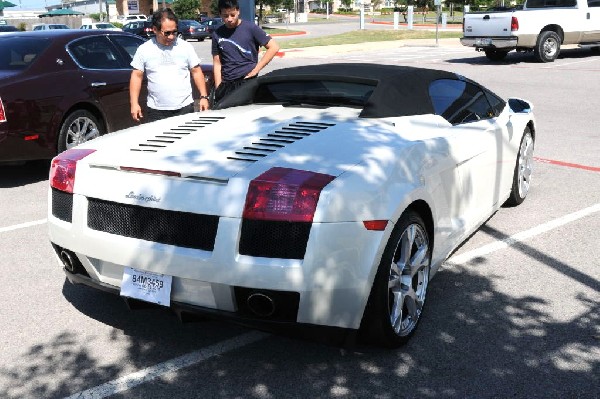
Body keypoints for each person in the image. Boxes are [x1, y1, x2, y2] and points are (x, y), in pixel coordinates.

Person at [129, 8, 210, 123]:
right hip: (157, 111)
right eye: (167, 33)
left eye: (174, 32)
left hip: (185, 108)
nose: (171, 37)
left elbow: (196, 72)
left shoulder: (185, 47)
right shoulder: (144, 50)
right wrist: (134, 103)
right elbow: (136, 76)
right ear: (155, 30)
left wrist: (203, 96)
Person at [212, 0, 280, 105]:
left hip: (246, 81)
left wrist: (256, 69)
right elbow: (217, 63)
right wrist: (218, 87)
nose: (229, 19)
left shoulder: (250, 28)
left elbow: (274, 47)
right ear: (220, 14)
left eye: (232, 15)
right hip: (226, 84)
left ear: (238, 11)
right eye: (225, 16)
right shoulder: (217, 34)